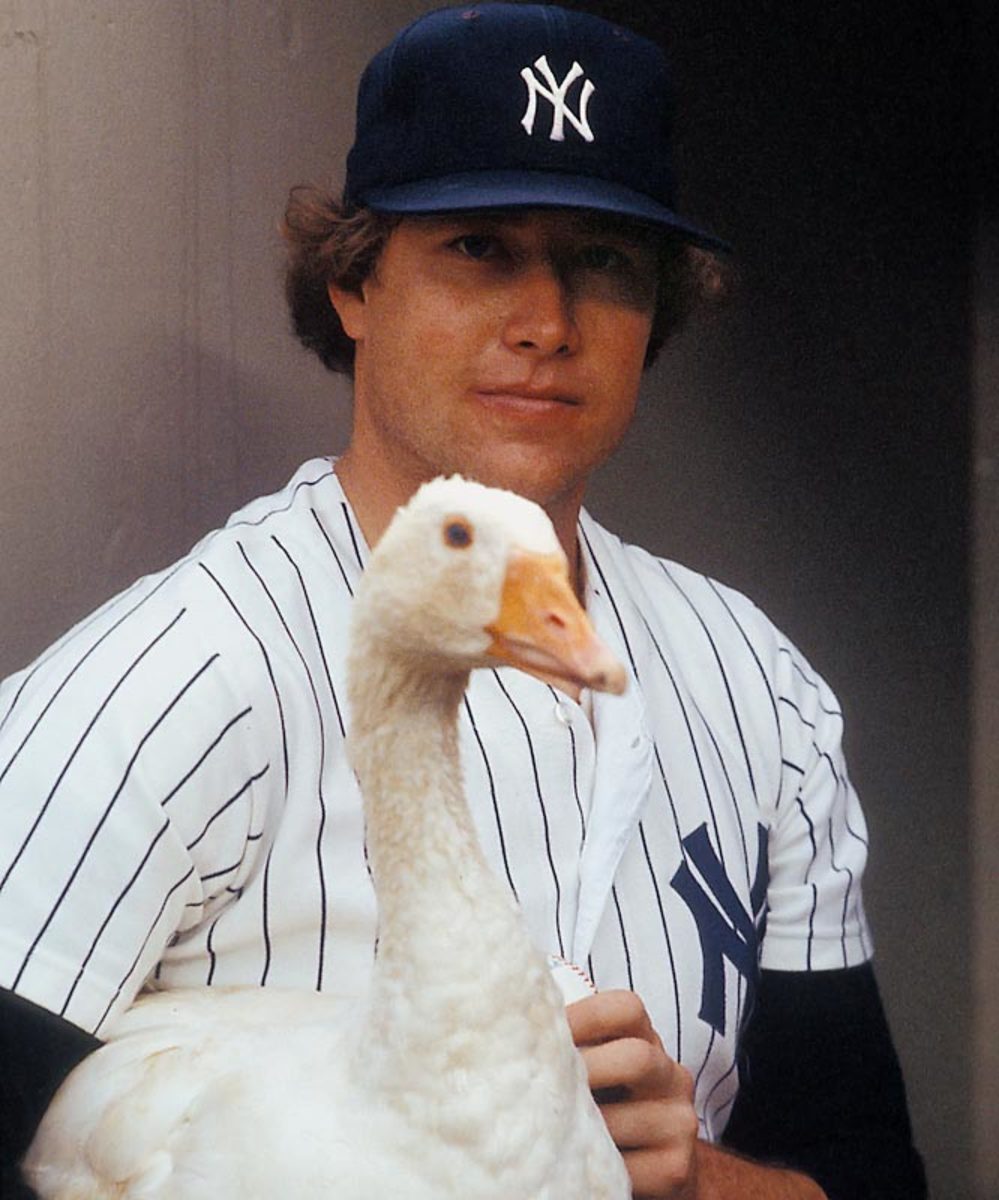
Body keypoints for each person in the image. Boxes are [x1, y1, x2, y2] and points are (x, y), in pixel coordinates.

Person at [0, 5, 927, 1198]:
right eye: (481, 247)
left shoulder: (757, 683)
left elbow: (870, 1174)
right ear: (354, 285)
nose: (547, 324)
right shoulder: (183, 674)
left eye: (603, 258)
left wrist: (698, 1178)